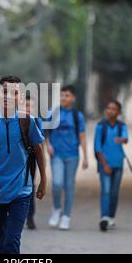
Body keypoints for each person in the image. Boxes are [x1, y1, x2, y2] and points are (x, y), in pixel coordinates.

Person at [0, 75, 47, 254]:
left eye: (15, 93)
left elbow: (39, 150)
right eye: (6, 92)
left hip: (22, 192)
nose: (10, 97)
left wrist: (43, 180)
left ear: (21, 97)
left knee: (11, 242)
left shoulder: (27, 121)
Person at [46, 85, 88, 230]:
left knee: (69, 187)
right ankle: (57, 209)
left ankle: (66, 217)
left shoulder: (78, 116)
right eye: (62, 95)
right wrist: (48, 145)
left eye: (67, 95)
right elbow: (45, 131)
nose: (64, 98)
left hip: (72, 156)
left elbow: (82, 137)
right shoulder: (53, 112)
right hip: (56, 154)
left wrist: (86, 157)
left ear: (73, 98)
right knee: (57, 184)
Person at [94, 100, 129, 232]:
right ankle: (104, 218)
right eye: (108, 108)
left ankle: (111, 217)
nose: (110, 111)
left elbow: (126, 138)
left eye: (114, 109)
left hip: (118, 165)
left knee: (114, 193)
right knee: (106, 191)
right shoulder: (100, 126)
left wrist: (122, 139)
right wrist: (104, 164)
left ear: (119, 112)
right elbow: (97, 148)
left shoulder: (122, 126)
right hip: (105, 165)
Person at [25, 94, 44, 230]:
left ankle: (30, 216)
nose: (27, 109)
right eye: (25, 105)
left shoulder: (36, 121)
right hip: (15, 159)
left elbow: (39, 143)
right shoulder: (15, 120)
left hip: (30, 159)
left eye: (30, 106)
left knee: (30, 186)